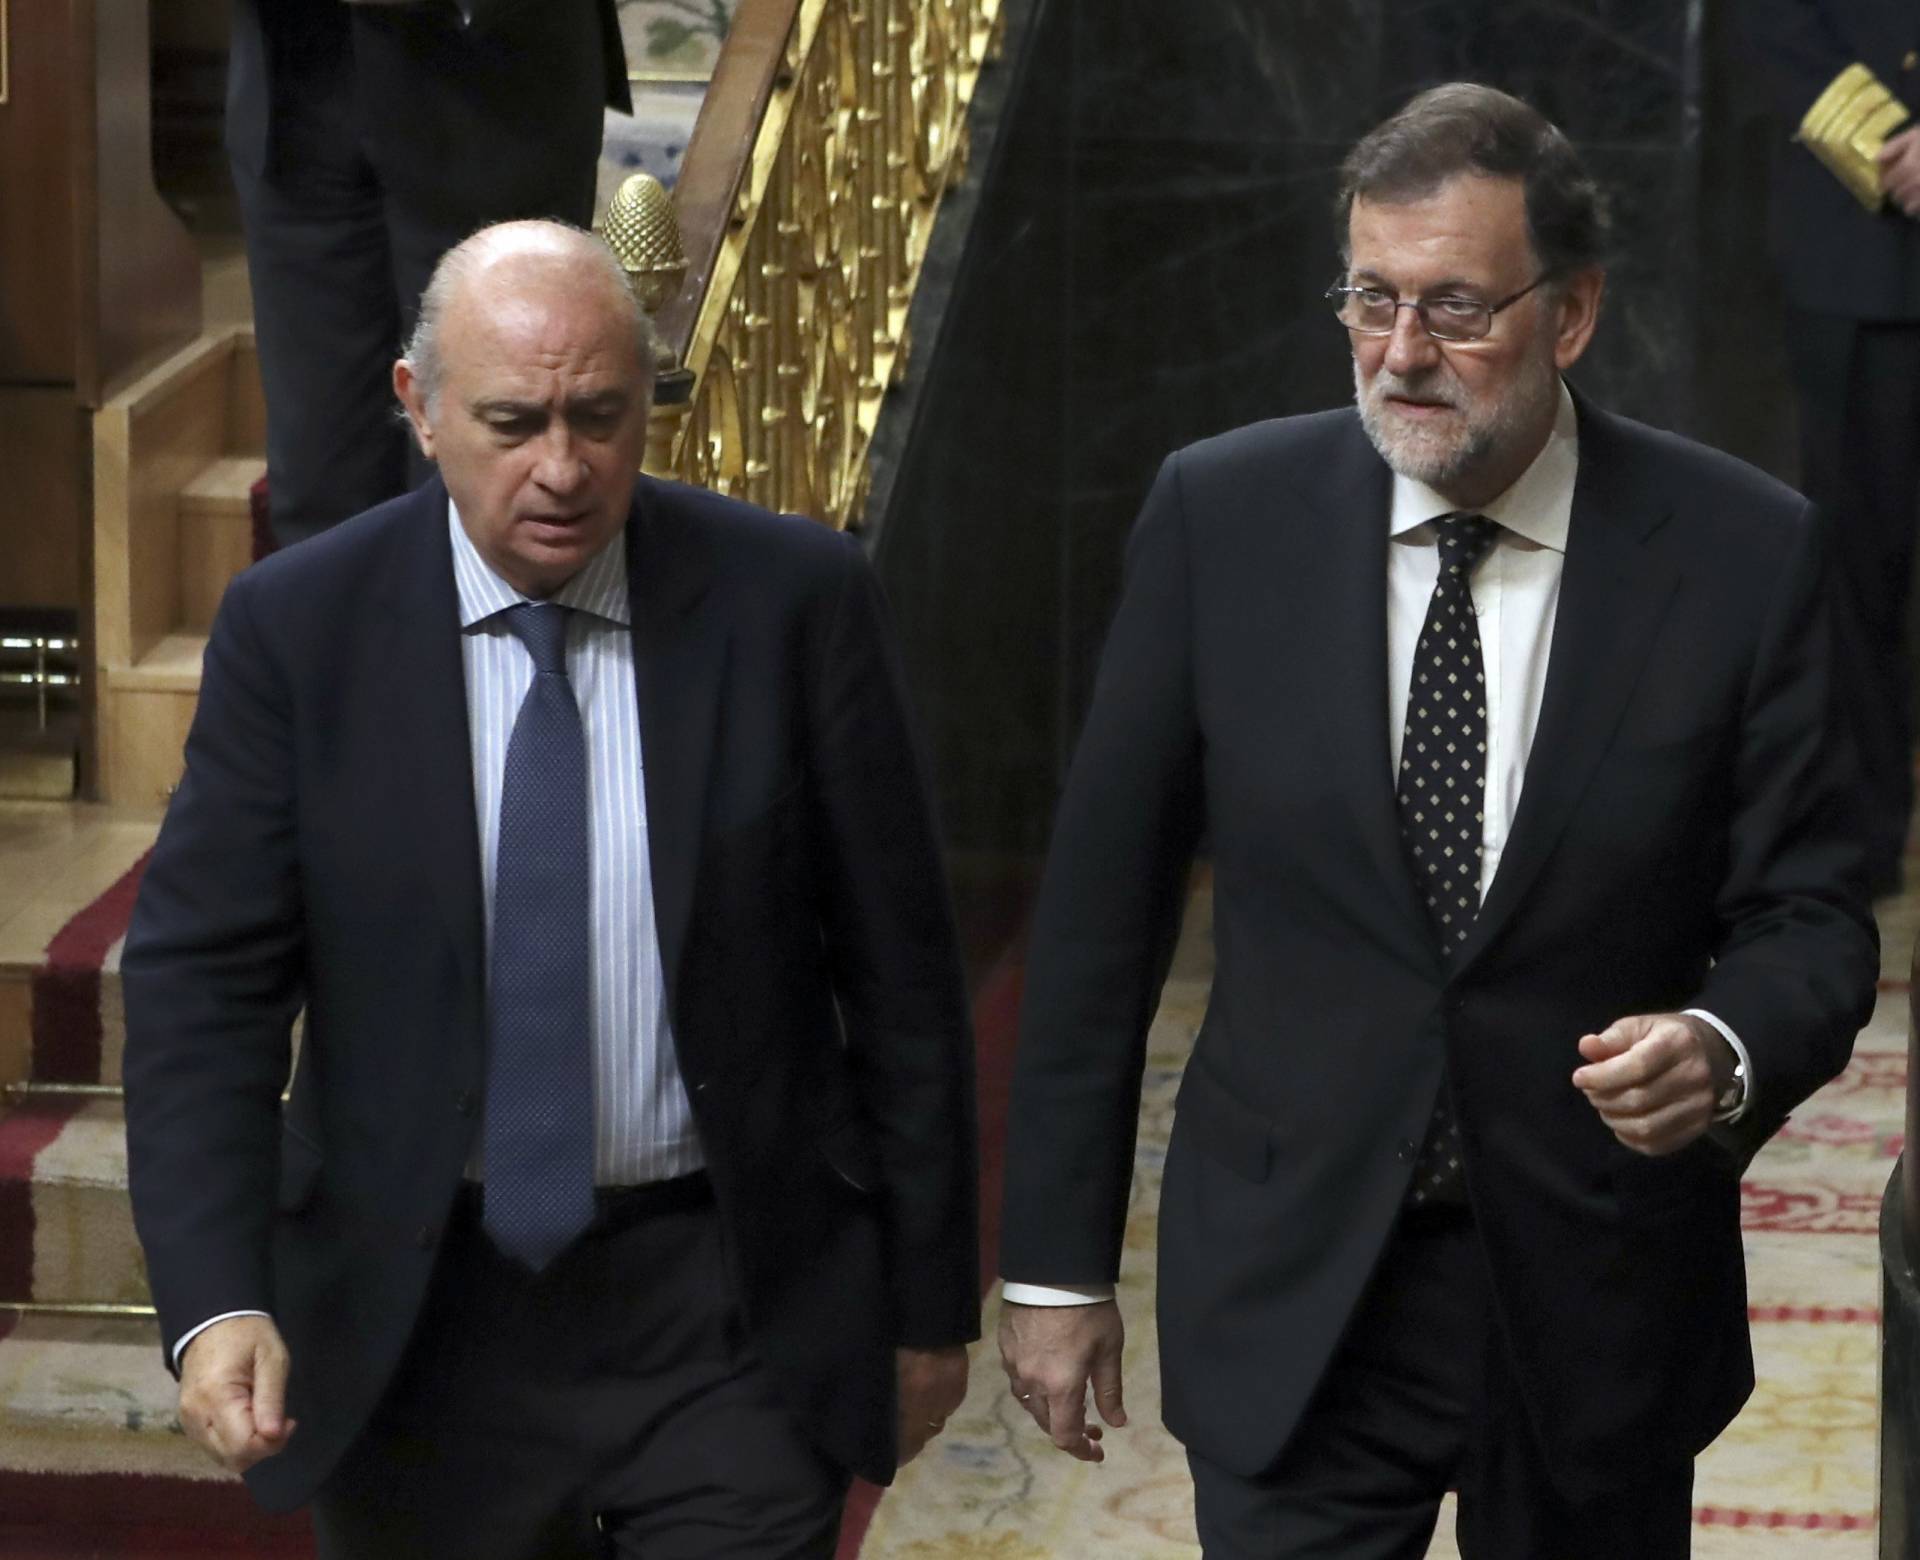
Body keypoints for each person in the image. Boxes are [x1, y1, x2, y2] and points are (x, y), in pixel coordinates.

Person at [995, 83, 1877, 1559]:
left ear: (1574, 315)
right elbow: (1099, 921)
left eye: (1457, 310)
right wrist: (1051, 1273)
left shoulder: (1744, 553)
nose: (1401, 355)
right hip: (1297, 1284)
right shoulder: (1222, 520)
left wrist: (1723, 1050)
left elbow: (1811, 913)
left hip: (1593, 1292)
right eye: (1370, 300)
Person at [122, 220, 978, 1559]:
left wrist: (931, 1306)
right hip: (419, 1312)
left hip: (724, 1298)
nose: (564, 469)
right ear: (420, 408)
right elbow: (203, 992)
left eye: (603, 418)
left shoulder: (794, 601)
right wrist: (216, 1298)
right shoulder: (301, 631)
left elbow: (904, 983)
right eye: (515, 422)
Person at [227, 0, 632, 550]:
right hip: (295, 77)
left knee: (496, 468)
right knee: (317, 479)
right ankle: (333, 637)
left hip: (493, 79)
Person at [1743, 1, 1920, 897]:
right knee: (1856, 573)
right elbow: (1778, 24)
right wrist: (1900, 145)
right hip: (1864, 255)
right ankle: (1861, 832)